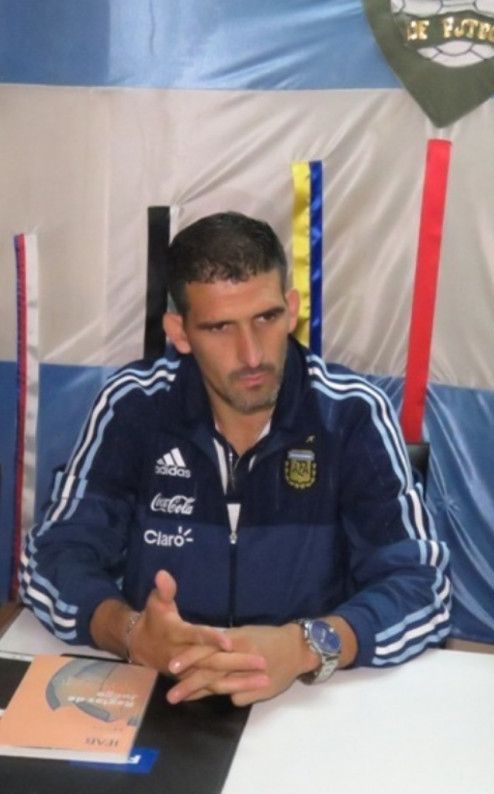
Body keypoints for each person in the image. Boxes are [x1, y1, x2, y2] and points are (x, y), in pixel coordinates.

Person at [20, 212, 451, 707]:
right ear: (180, 333)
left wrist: (306, 646)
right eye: (220, 327)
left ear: (292, 309)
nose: (251, 355)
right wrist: (131, 632)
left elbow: (423, 585)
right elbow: (52, 555)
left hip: (307, 697)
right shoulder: (134, 406)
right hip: (157, 690)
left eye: (266, 318)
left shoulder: (351, 413)